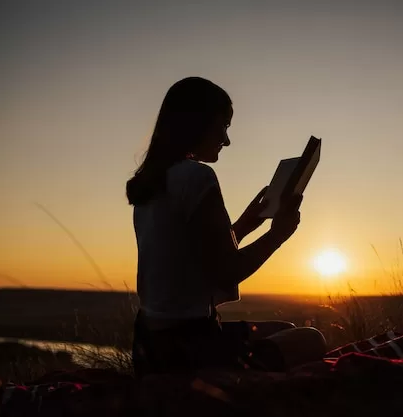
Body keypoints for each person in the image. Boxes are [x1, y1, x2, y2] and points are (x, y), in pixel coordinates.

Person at [127, 77, 326, 378]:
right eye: (224, 127)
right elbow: (226, 271)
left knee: (285, 330)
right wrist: (277, 235)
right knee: (312, 339)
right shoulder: (197, 177)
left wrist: (245, 225)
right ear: (198, 124)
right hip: (191, 349)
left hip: (151, 346)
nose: (227, 139)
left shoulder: (154, 183)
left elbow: (196, 257)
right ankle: (240, 381)